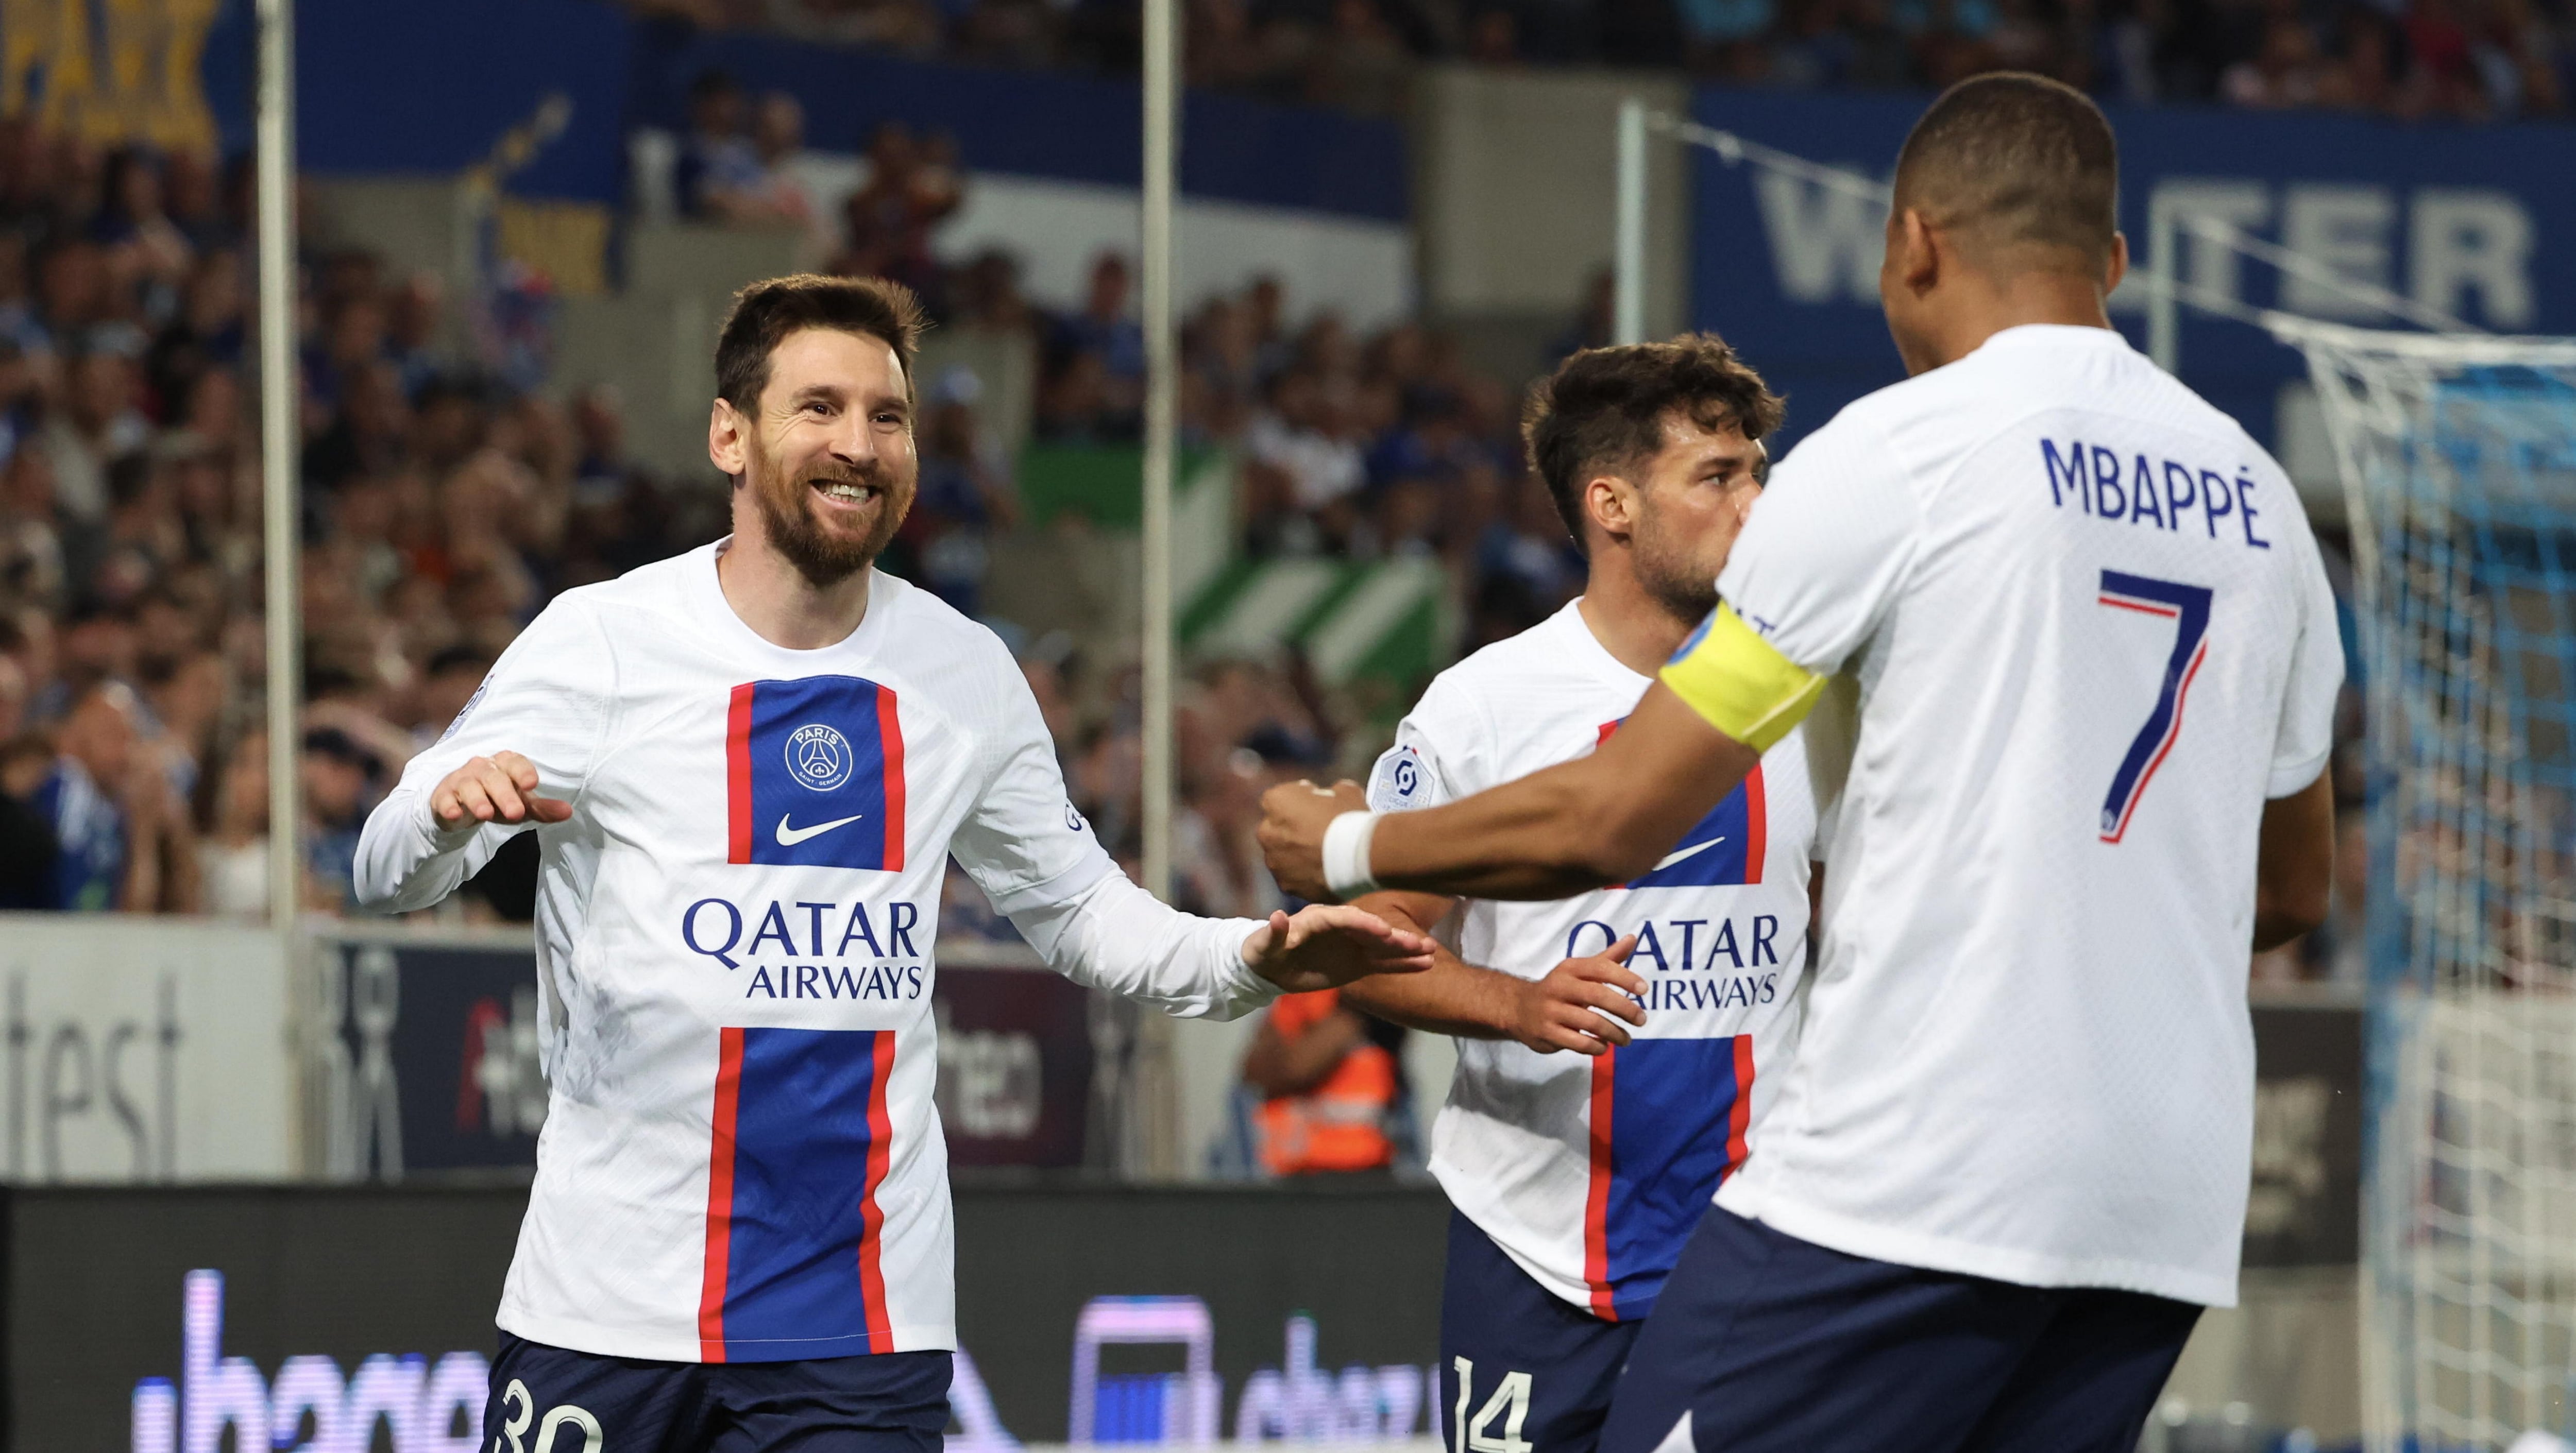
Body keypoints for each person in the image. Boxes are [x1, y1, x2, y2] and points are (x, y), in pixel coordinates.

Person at [1258, 73, 2340, 1452]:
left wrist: (1342, 845)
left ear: (1911, 245)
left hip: (1914, 1166)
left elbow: (1613, 816)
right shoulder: (2259, 495)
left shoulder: (1900, 454)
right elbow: (2293, 886)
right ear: (2113, 262)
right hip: (2159, 1202)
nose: (1754, 493)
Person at [352, 272, 1433, 1452]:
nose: (858, 446)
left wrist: (1255, 957)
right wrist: (446, 815)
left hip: (859, 1325)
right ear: (730, 433)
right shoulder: (603, 641)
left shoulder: (962, 672)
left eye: (888, 416)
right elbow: (386, 867)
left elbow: (1078, 911)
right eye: (818, 408)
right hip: (608, 1301)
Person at [1333, 336, 1816, 1453]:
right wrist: (1514, 1003)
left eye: (1756, 473)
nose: (1754, 504)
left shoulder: (1812, 701)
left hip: (1743, 1256)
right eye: (1716, 477)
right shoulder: (1486, 705)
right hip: (1531, 1250)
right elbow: (1371, 943)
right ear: (1611, 503)